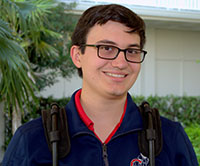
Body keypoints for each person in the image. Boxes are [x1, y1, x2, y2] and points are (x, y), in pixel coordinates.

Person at [2, 4, 198, 166]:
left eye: (132, 51)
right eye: (106, 48)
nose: (121, 63)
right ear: (77, 56)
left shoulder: (169, 137)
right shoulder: (32, 140)